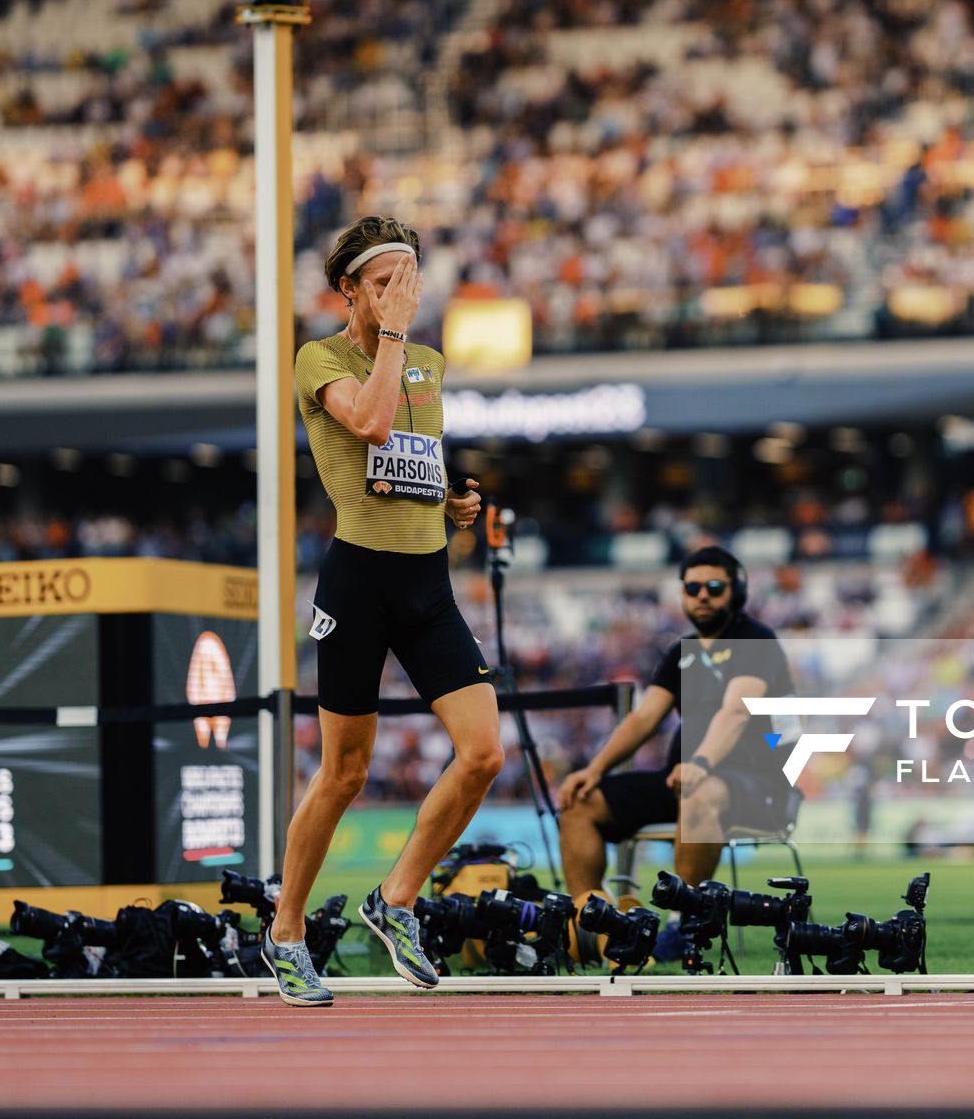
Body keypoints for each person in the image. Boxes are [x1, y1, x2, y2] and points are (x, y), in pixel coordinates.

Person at [261, 214, 501, 1004]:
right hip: (359, 580)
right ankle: (286, 932)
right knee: (345, 773)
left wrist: (450, 505)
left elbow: (407, 462)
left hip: (425, 582)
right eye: (384, 282)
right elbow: (366, 423)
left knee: (483, 755)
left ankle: (394, 900)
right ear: (349, 292)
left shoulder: (428, 364)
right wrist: (391, 335)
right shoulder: (318, 357)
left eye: (410, 279)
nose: (404, 294)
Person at [556, 546, 796, 947]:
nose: (703, 595)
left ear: (737, 592)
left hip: (756, 785)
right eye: (693, 587)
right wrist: (593, 770)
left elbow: (736, 711)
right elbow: (644, 718)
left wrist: (700, 761)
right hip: (684, 782)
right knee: (580, 801)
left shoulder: (757, 640)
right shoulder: (679, 652)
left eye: (715, 587)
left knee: (698, 791)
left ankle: (682, 926)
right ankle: (593, 921)